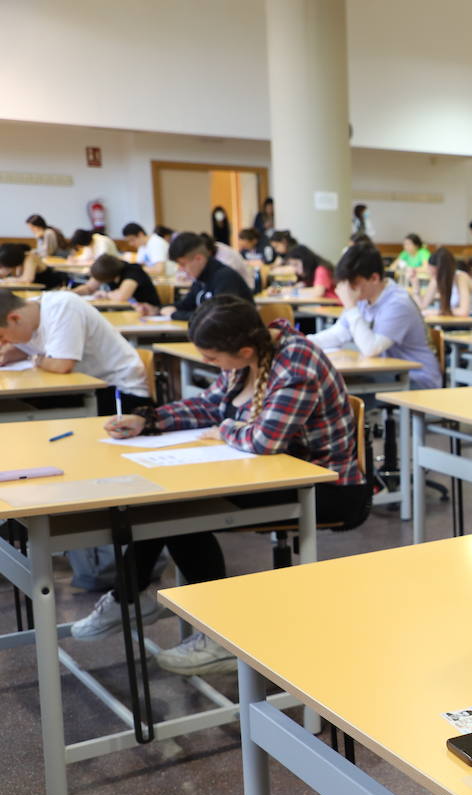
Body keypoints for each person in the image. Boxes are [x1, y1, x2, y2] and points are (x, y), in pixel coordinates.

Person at [82, 297, 370, 673]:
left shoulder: (296, 364)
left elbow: (266, 440)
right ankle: (131, 598)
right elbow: (210, 404)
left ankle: (216, 632)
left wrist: (225, 430)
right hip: (270, 473)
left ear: (245, 349)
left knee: (183, 511)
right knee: (163, 502)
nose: (210, 365)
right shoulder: (253, 357)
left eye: (215, 359)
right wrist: (149, 420)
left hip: (327, 488)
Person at [308, 244, 440, 388]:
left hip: (418, 378)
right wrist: (305, 342)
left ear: (374, 278)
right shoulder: (363, 298)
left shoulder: (397, 303)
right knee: (330, 384)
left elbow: (370, 348)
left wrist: (351, 306)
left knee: (337, 389)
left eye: (354, 283)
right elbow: (339, 333)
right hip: (387, 373)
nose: (350, 290)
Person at [0, 289, 151, 414]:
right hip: (82, 388)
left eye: (2, 336)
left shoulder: (63, 307)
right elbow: (19, 349)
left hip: (120, 393)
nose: (3, 343)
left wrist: (34, 358)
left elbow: (61, 365)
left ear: (15, 319)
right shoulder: (26, 316)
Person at [156, 233, 254, 320]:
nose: (180, 269)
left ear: (199, 259)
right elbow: (186, 305)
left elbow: (217, 316)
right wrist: (157, 310)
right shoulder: (200, 279)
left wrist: (175, 314)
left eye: (183, 264)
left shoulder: (225, 277)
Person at [76, 255, 162, 307]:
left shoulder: (133, 271)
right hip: (128, 311)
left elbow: (122, 296)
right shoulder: (107, 270)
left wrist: (105, 294)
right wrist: (72, 292)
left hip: (148, 311)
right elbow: (89, 288)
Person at [0, 243, 67, 289]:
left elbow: (27, 280)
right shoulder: (13, 262)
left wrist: (8, 279)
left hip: (53, 288)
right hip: (34, 291)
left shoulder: (29, 257)